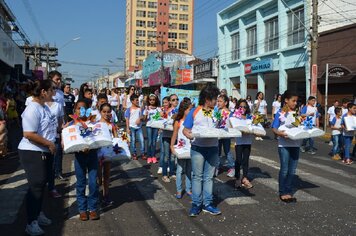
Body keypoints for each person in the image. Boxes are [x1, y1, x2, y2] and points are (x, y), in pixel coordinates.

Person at [18, 80, 57, 235]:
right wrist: (49, 143)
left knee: (42, 184)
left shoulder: (44, 107)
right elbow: (28, 134)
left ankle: (37, 213)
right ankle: (31, 222)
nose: (54, 92)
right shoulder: (32, 108)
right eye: (52, 89)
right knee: (36, 185)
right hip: (32, 151)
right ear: (43, 92)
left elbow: (49, 127)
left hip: (44, 151)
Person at [183, 84, 221, 217]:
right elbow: (186, 129)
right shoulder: (195, 111)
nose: (216, 101)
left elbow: (221, 127)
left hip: (213, 148)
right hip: (198, 148)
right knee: (197, 177)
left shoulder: (216, 111)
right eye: (214, 98)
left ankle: (208, 204)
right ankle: (196, 204)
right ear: (206, 98)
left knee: (209, 177)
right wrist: (189, 135)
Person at [67, 99, 100, 221]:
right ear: (75, 110)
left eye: (83, 108)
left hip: (92, 155)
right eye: (78, 108)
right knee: (80, 184)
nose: (81, 111)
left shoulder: (93, 122)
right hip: (79, 157)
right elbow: (68, 141)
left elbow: (99, 137)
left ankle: (92, 208)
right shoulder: (72, 124)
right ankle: (82, 209)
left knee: (92, 183)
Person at [272, 90, 300, 203]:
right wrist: (280, 134)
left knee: (292, 170)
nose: (295, 103)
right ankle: (282, 192)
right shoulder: (280, 113)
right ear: (286, 100)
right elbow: (274, 128)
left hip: (296, 144)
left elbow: (299, 126)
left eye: (296, 101)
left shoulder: (296, 112)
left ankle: (288, 191)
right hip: (284, 145)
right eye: (293, 101)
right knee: (284, 169)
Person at [170, 97, 193, 199]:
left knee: (190, 170)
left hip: (191, 148)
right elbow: (174, 134)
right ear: (184, 110)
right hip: (181, 149)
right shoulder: (178, 121)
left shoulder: (193, 121)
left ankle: (188, 189)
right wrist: (171, 146)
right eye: (189, 109)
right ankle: (179, 190)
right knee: (179, 170)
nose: (191, 111)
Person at [45, 84, 65, 195]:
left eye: (54, 89)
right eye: (51, 89)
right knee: (42, 166)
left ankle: (52, 188)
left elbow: (60, 122)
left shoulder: (58, 105)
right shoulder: (38, 104)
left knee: (52, 164)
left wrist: (61, 135)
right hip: (40, 139)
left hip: (55, 138)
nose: (53, 91)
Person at [97, 103, 117, 205]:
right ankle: (96, 194)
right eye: (104, 111)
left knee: (107, 175)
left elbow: (116, 138)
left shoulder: (112, 125)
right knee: (98, 177)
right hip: (98, 153)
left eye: (108, 111)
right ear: (100, 112)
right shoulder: (96, 124)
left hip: (108, 152)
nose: (106, 113)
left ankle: (106, 195)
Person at [234, 99, 254, 189]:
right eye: (241, 107)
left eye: (245, 107)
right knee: (238, 160)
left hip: (247, 141)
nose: (243, 108)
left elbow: (254, 127)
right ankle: (237, 178)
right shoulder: (235, 116)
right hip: (238, 142)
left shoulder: (250, 117)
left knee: (245, 160)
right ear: (238, 107)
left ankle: (245, 178)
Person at [216, 94, 235, 178]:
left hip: (226, 135)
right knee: (217, 152)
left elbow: (232, 124)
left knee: (227, 151)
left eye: (220, 101)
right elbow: (215, 123)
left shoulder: (230, 113)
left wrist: (232, 132)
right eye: (218, 101)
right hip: (218, 135)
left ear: (226, 102)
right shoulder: (217, 111)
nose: (218, 103)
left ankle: (231, 167)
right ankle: (217, 166)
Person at [161, 94, 179, 183]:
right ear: (170, 101)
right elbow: (163, 120)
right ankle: (164, 174)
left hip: (174, 135)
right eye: (173, 99)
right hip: (166, 135)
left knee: (173, 156)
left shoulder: (179, 111)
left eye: (177, 99)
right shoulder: (166, 111)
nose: (176, 101)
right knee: (166, 156)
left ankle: (172, 173)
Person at [125, 94, 145, 160]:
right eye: (136, 100)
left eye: (138, 100)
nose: (137, 101)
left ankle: (142, 153)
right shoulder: (129, 109)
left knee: (142, 140)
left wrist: (140, 119)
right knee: (132, 141)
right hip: (131, 127)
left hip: (139, 127)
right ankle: (134, 154)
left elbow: (143, 116)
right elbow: (127, 119)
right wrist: (127, 128)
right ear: (132, 101)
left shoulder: (140, 109)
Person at [143, 94, 160, 164]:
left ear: (155, 100)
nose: (152, 101)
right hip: (149, 126)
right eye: (150, 100)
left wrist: (159, 128)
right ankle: (149, 156)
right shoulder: (147, 108)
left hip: (155, 126)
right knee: (149, 142)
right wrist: (146, 114)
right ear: (148, 100)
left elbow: (159, 119)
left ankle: (153, 156)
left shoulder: (158, 109)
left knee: (154, 142)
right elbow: (144, 119)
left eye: (153, 100)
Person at [157, 96, 170, 175]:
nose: (164, 104)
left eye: (166, 102)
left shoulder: (172, 110)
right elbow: (155, 119)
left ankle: (168, 165)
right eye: (163, 103)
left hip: (171, 133)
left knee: (169, 151)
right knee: (163, 150)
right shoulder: (161, 110)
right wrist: (159, 115)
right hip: (163, 132)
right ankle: (161, 166)